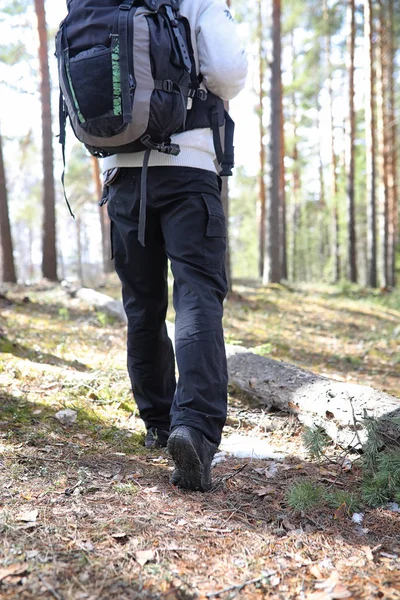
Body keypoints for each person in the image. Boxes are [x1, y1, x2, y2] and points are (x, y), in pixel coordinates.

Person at [102, 0, 247, 491]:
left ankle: (158, 422)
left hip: (121, 174)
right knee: (196, 295)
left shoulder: (100, 7)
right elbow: (228, 73)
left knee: (142, 303)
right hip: (189, 168)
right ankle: (195, 429)